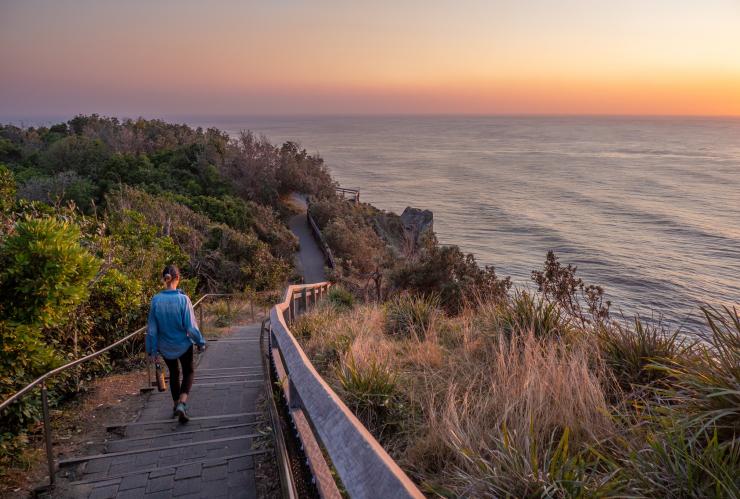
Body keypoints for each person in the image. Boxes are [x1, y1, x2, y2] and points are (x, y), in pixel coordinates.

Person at [146, 265, 206, 423]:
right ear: (177, 278)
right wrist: (200, 342)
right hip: (183, 345)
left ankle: (175, 405)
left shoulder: (156, 300)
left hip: (165, 346)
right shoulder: (183, 299)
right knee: (189, 372)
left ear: (164, 278)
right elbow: (191, 327)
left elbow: (151, 330)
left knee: (174, 373)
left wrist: (152, 351)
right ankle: (182, 403)